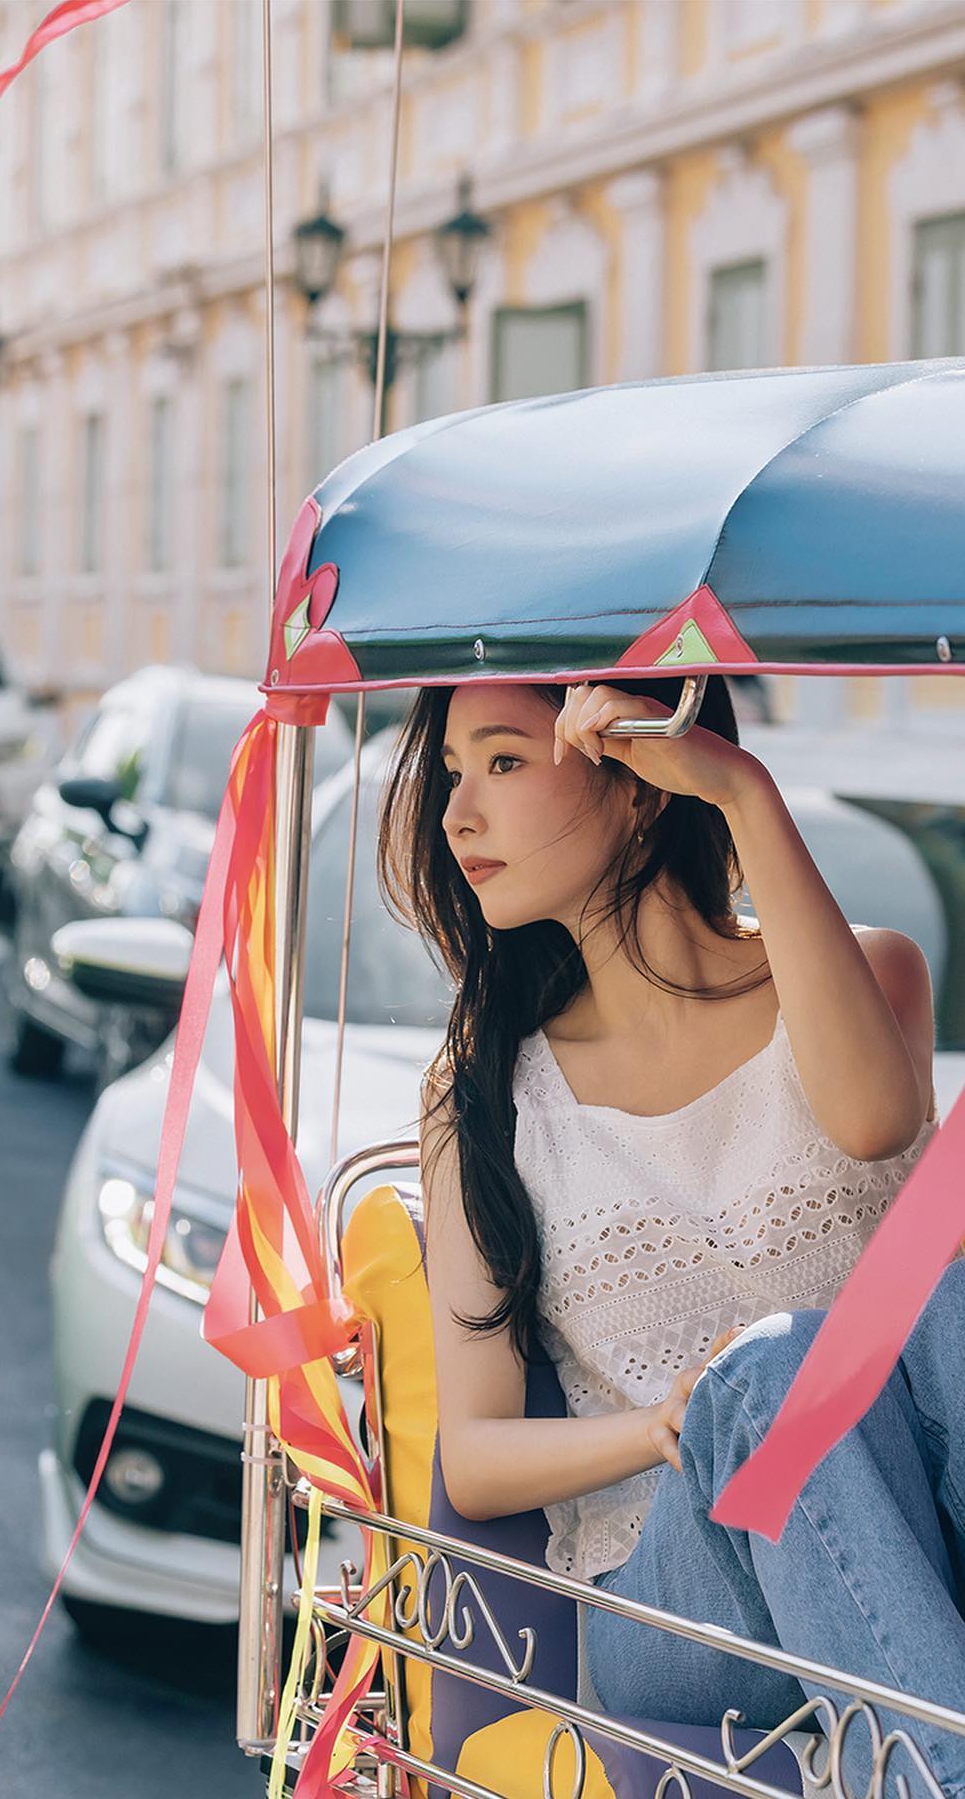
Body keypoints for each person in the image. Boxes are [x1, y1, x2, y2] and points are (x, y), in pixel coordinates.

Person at [377, 673, 960, 1795]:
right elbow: (479, 1456)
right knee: (769, 1374)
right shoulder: (487, 1093)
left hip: (914, 1542)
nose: (456, 815)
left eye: (502, 761)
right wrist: (667, 1426)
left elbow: (876, 1120)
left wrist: (744, 795)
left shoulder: (867, 976)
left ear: (644, 780)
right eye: (454, 773)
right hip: (680, 1611)